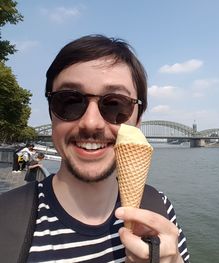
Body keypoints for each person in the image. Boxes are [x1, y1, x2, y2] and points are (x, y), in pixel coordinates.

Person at [0, 35, 190, 262]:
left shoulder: (159, 209)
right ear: (52, 113)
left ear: (138, 121)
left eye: (115, 105)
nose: (91, 123)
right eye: (69, 101)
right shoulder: (5, 221)